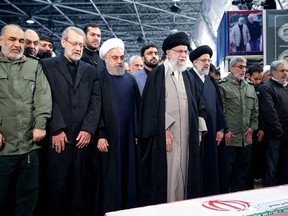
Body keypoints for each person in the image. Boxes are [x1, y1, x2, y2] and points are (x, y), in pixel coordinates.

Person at [138, 32, 207, 206]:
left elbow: (200, 104)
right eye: (179, 51)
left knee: (187, 172)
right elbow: (150, 106)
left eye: (185, 51)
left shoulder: (188, 75)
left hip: (188, 135)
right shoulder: (157, 74)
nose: (184, 55)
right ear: (168, 52)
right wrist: (164, 129)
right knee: (171, 174)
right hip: (169, 136)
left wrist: (199, 128)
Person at [41, 26, 101, 216]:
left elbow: (96, 101)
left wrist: (89, 129)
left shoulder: (91, 71)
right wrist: (57, 128)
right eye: (74, 44)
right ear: (63, 42)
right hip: (58, 140)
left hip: (83, 141)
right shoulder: (47, 66)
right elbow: (45, 98)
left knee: (81, 191)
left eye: (80, 45)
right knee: (57, 190)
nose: (78, 48)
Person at [0, 24, 52, 216]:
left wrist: (40, 125)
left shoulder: (33, 65)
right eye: (12, 39)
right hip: (4, 148)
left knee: (28, 198)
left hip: (30, 146)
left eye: (21, 41)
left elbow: (43, 97)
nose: (17, 44)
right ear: (1, 41)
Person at [95, 38, 140, 215]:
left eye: (121, 57)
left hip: (129, 137)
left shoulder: (130, 80)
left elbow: (138, 108)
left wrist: (136, 132)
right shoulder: (99, 78)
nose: (119, 61)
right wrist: (101, 133)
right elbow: (96, 109)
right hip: (109, 138)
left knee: (128, 173)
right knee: (110, 176)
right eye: (114, 58)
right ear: (105, 58)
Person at [189, 45, 227, 196]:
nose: (207, 63)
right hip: (197, 131)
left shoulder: (211, 81)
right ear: (194, 62)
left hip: (213, 131)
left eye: (208, 60)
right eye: (203, 60)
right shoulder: (188, 78)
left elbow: (218, 106)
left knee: (213, 164)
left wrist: (221, 128)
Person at [218, 56, 258, 192]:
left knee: (242, 174)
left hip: (246, 139)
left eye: (245, 67)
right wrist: (226, 130)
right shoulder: (223, 86)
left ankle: (238, 200)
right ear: (231, 68)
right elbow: (220, 112)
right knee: (226, 172)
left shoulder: (249, 87)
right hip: (231, 138)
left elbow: (255, 111)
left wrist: (253, 127)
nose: (243, 70)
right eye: (240, 67)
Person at [259, 60, 288, 187]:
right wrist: (280, 132)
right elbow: (270, 113)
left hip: (287, 136)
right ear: (273, 72)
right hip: (275, 136)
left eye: (287, 71)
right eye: (282, 71)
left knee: (285, 167)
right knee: (273, 168)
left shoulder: (286, 87)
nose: (285, 73)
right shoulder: (266, 88)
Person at [246, 64, 265, 188]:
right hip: (245, 129)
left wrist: (261, 128)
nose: (258, 82)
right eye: (255, 79)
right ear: (249, 76)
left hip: (257, 129)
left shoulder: (263, 89)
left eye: (260, 79)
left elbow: (263, 112)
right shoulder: (245, 87)